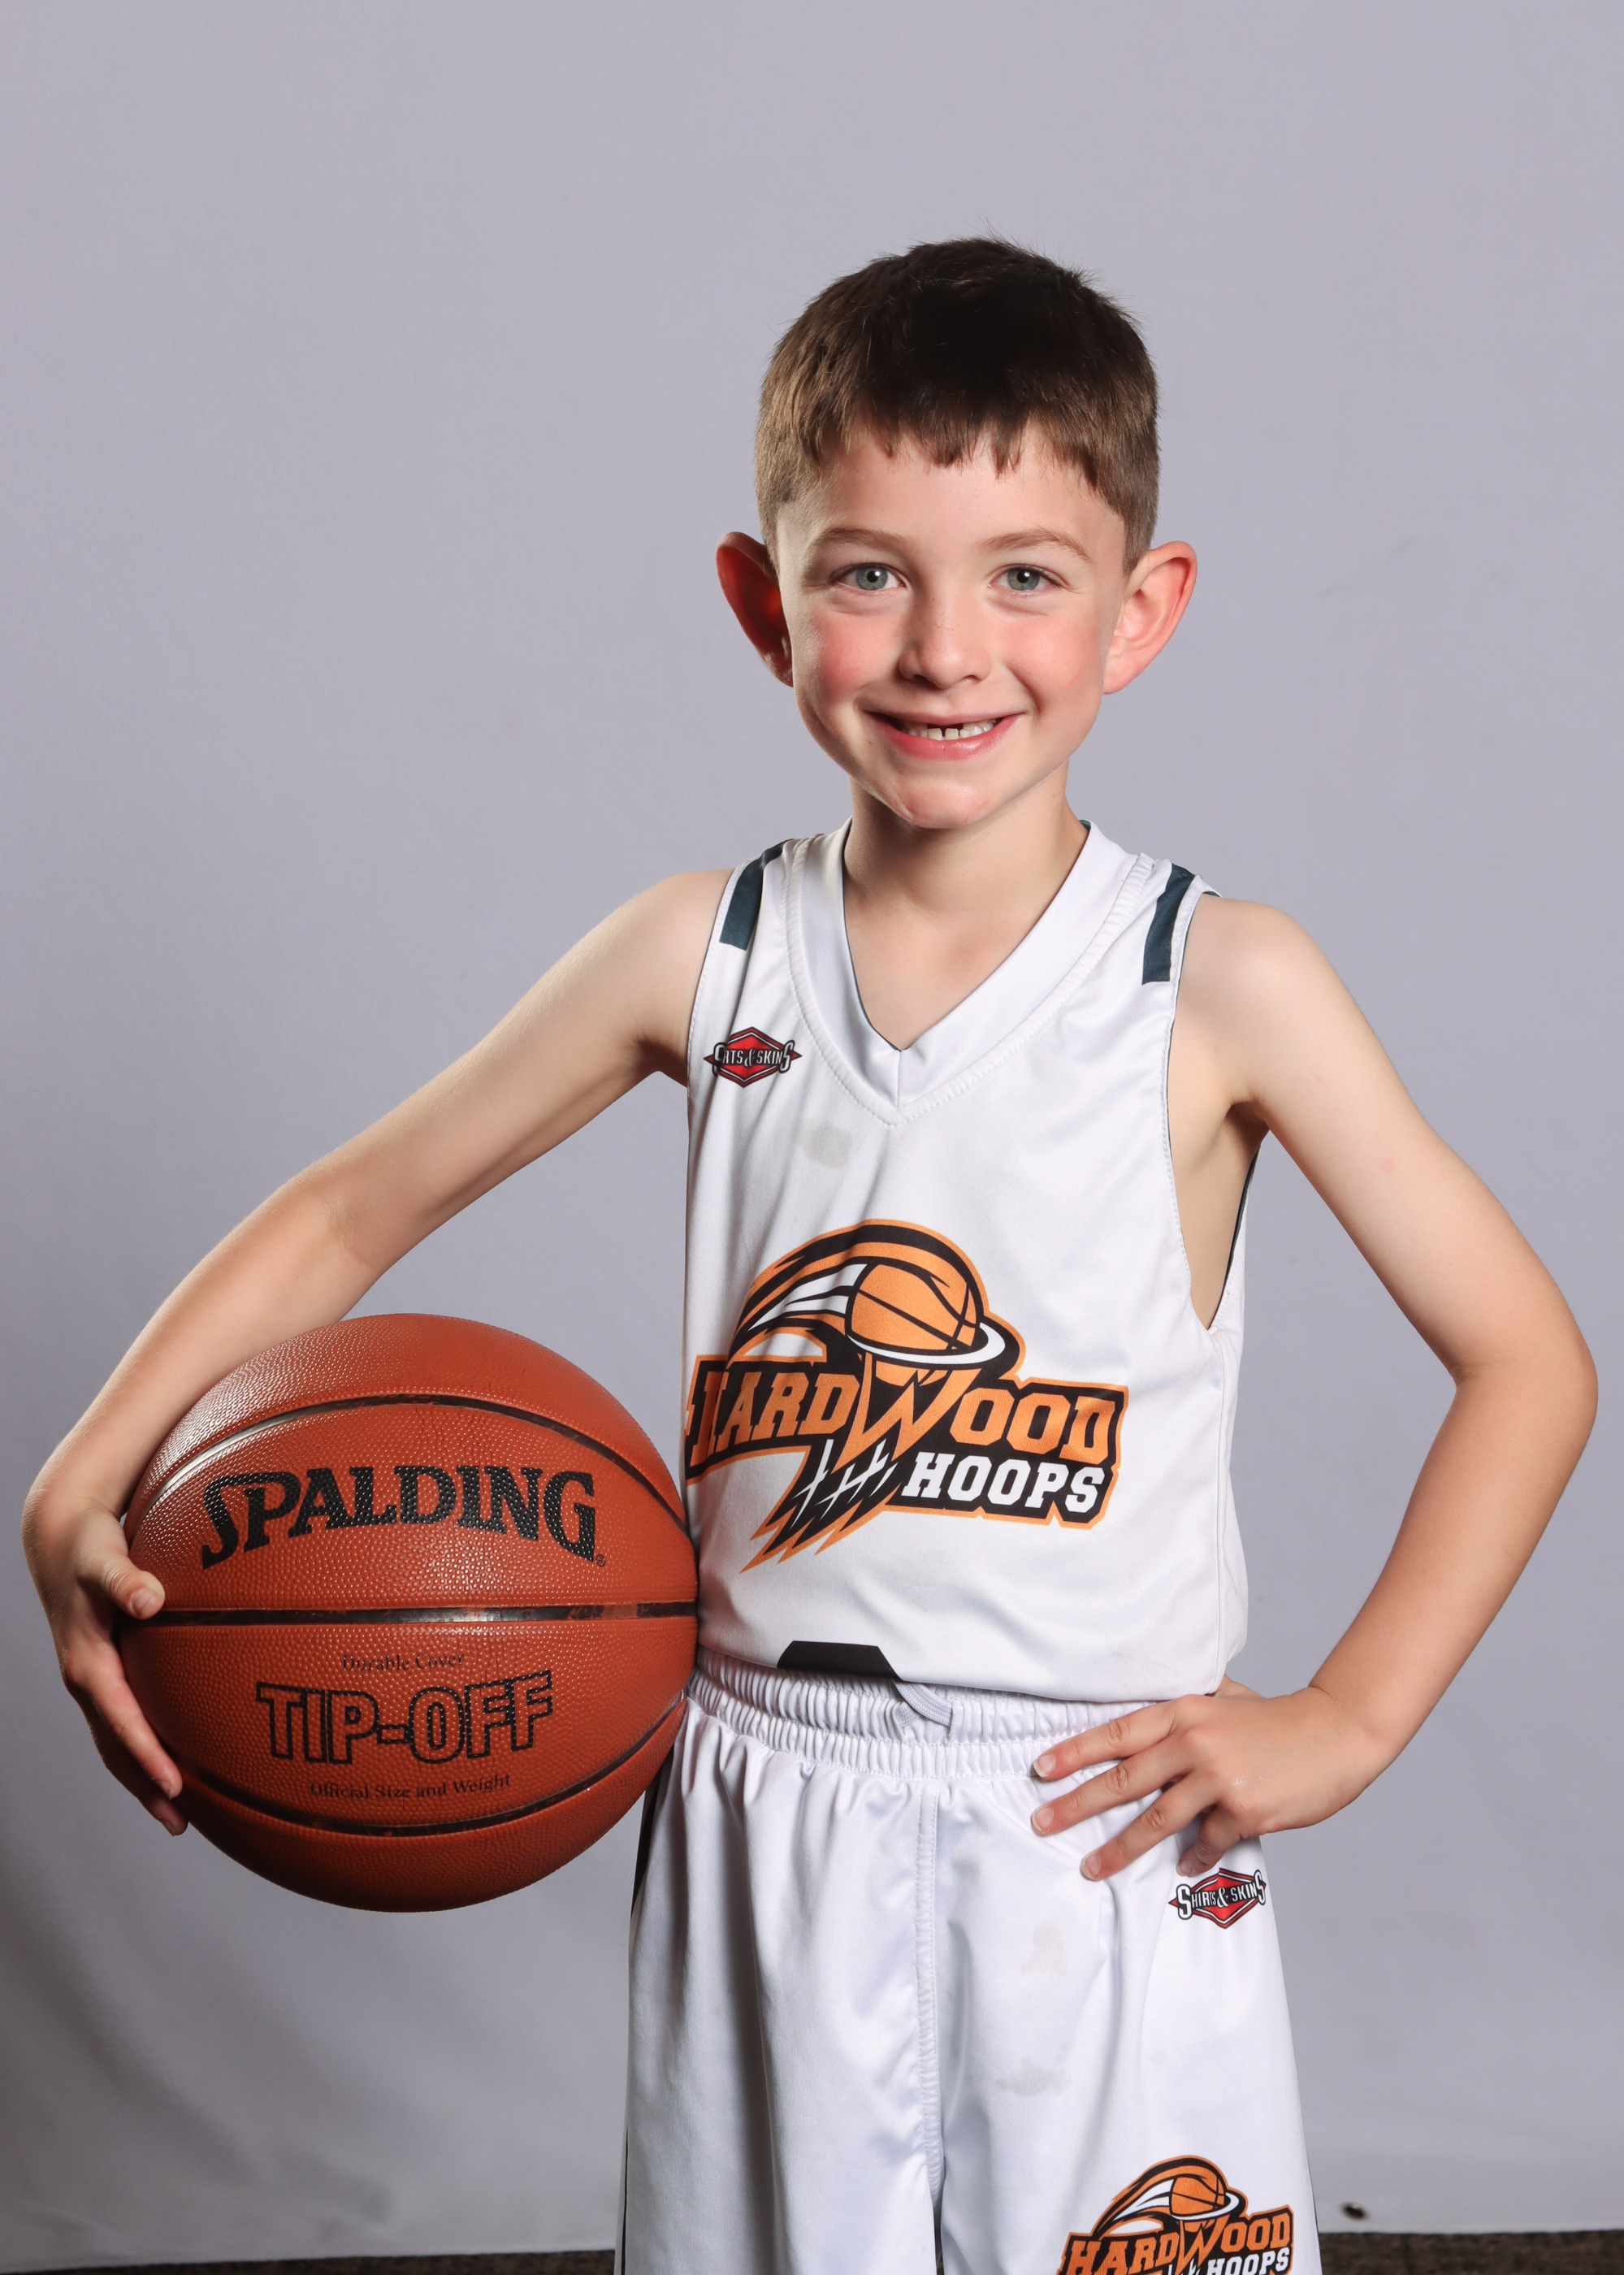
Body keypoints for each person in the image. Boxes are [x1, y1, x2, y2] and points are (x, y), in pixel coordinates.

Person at [22, 240, 1596, 2275]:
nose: (945, 646)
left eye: (1024, 575)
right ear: (762, 603)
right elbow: (352, 1205)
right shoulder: (704, 949)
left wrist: (1352, 1715)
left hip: (1095, 1808)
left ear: (1140, 611)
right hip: (764, 1787)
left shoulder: (1215, 979)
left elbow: (1526, 1357)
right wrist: (80, 1475)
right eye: (868, 573)